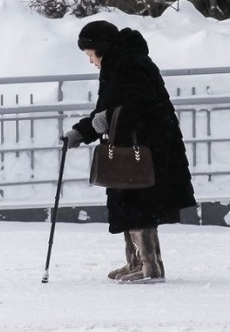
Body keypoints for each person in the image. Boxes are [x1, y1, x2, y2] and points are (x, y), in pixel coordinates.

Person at [63, 20, 196, 284]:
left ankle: (150, 267)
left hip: (146, 148)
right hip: (135, 146)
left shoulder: (130, 64)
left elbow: (138, 106)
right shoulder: (119, 63)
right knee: (129, 201)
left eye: (90, 55)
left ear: (101, 48)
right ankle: (136, 262)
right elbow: (109, 110)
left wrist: (102, 121)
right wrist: (81, 132)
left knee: (138, 203)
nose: (90, 61)